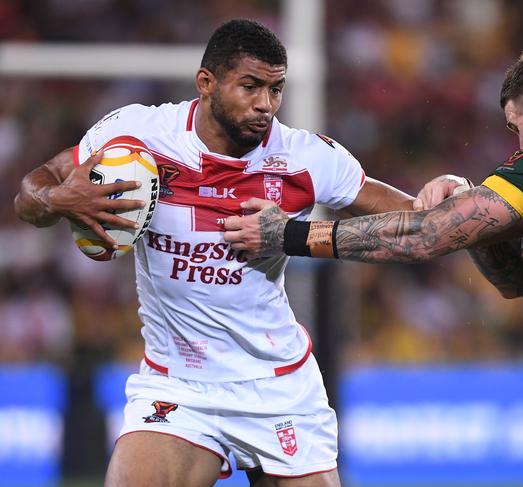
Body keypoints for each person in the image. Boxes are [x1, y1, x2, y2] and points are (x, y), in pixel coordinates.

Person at [14, 19, 415, 487]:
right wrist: (58, 200)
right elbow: (31, 193)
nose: (265, 105)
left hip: (278, 386)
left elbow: (414, 226)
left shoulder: (305, 157)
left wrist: (447, 196)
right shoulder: (141, 135)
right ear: (206, 83)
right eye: (250, 87)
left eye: (276, 89)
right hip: (178, 385)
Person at [224, 47, 523, 487]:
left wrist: (288, 235)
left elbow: (422, 237)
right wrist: (467, 203)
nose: (519, 144)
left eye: (515, 127)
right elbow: (517, 278)